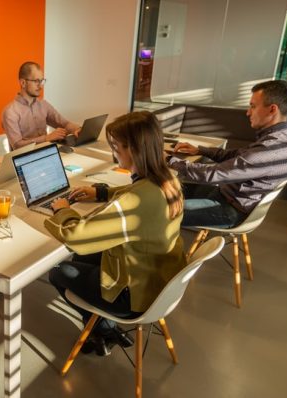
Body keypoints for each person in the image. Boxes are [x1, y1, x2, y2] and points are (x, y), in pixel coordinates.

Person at [46, 111, 187, 357]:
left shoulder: (136, 200)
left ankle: (103, 329)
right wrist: (101, 193)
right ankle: (102, 328)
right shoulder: (169, 179)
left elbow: (77, 237)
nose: (113, 153)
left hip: (135, 296)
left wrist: (63, 211)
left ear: (132, 149)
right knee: (81, 262)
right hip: (160, 279)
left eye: (116, 147)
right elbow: (136, 193)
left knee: (58, 272)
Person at [168, 80, 287, 228]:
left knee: (158, 211)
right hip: (228, 194)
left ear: (272, 110)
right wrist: (200, 150)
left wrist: (169, 160)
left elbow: (211, 174)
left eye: (253, 106)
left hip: (230, 209)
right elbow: (238, 156)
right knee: (166, 190)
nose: (248, 112)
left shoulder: (269, 150)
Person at [1, 61, 81, 149]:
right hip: (24, 160)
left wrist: (78, 129)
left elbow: (65, 123)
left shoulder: (43, 105)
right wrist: (46, 138)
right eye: (36, 81)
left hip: (48, 153)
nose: (40, 86)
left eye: (42, 81)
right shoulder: (10, 112)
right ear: (23, 83)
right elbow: (17, 145)